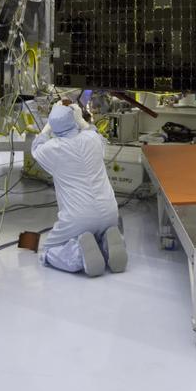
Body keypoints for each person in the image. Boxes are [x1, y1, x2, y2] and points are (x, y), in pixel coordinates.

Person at [31, 103, 126, 277]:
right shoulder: (92, 139)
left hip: (78, 218)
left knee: (49, 250)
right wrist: (80, 119)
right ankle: (106, 241)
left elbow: (36, 148)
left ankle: (78, 255)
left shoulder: (53, 149)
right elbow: (94, 132)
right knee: (96, 231)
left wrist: (48, 125)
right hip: (110, 212)